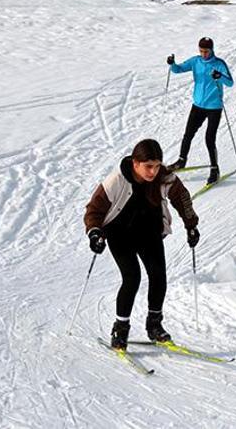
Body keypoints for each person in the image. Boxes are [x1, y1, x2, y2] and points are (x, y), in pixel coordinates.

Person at [84, 139, 200, 351]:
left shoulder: (164, 177)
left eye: (157, 166)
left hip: (149, 231)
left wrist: (191, 225)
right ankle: (120, 329)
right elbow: (94, 209)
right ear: (135, 163)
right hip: (119, 233)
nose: (153, 172)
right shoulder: (116, 180)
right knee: (132, 277)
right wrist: (94, 232)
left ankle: (154, 325)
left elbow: (182, 198)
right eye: (148, 166)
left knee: (158, 274)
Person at [166, 37, 234, 184]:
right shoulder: (195, 61)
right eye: (201, 51)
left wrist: (219, 76)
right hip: (198, 106)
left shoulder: (219, 64)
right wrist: (172, 64)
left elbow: (230, 82)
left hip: (214, 107)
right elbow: (179, 69)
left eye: (206, 51)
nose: (203, 54)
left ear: (212, 49)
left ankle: (215, 169)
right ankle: (181, 161)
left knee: (209, 138)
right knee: (188, 134)